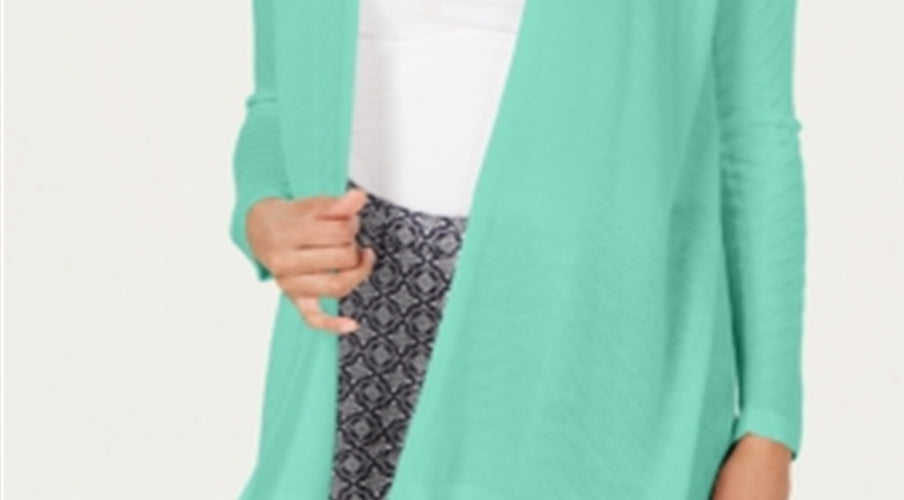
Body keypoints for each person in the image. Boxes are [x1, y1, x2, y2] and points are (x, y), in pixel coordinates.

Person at [233, 0, 807, 498]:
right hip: (363, 324)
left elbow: (753, 131)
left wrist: (769, 427)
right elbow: (275, 103)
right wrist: (262, 217)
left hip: (591, 338)